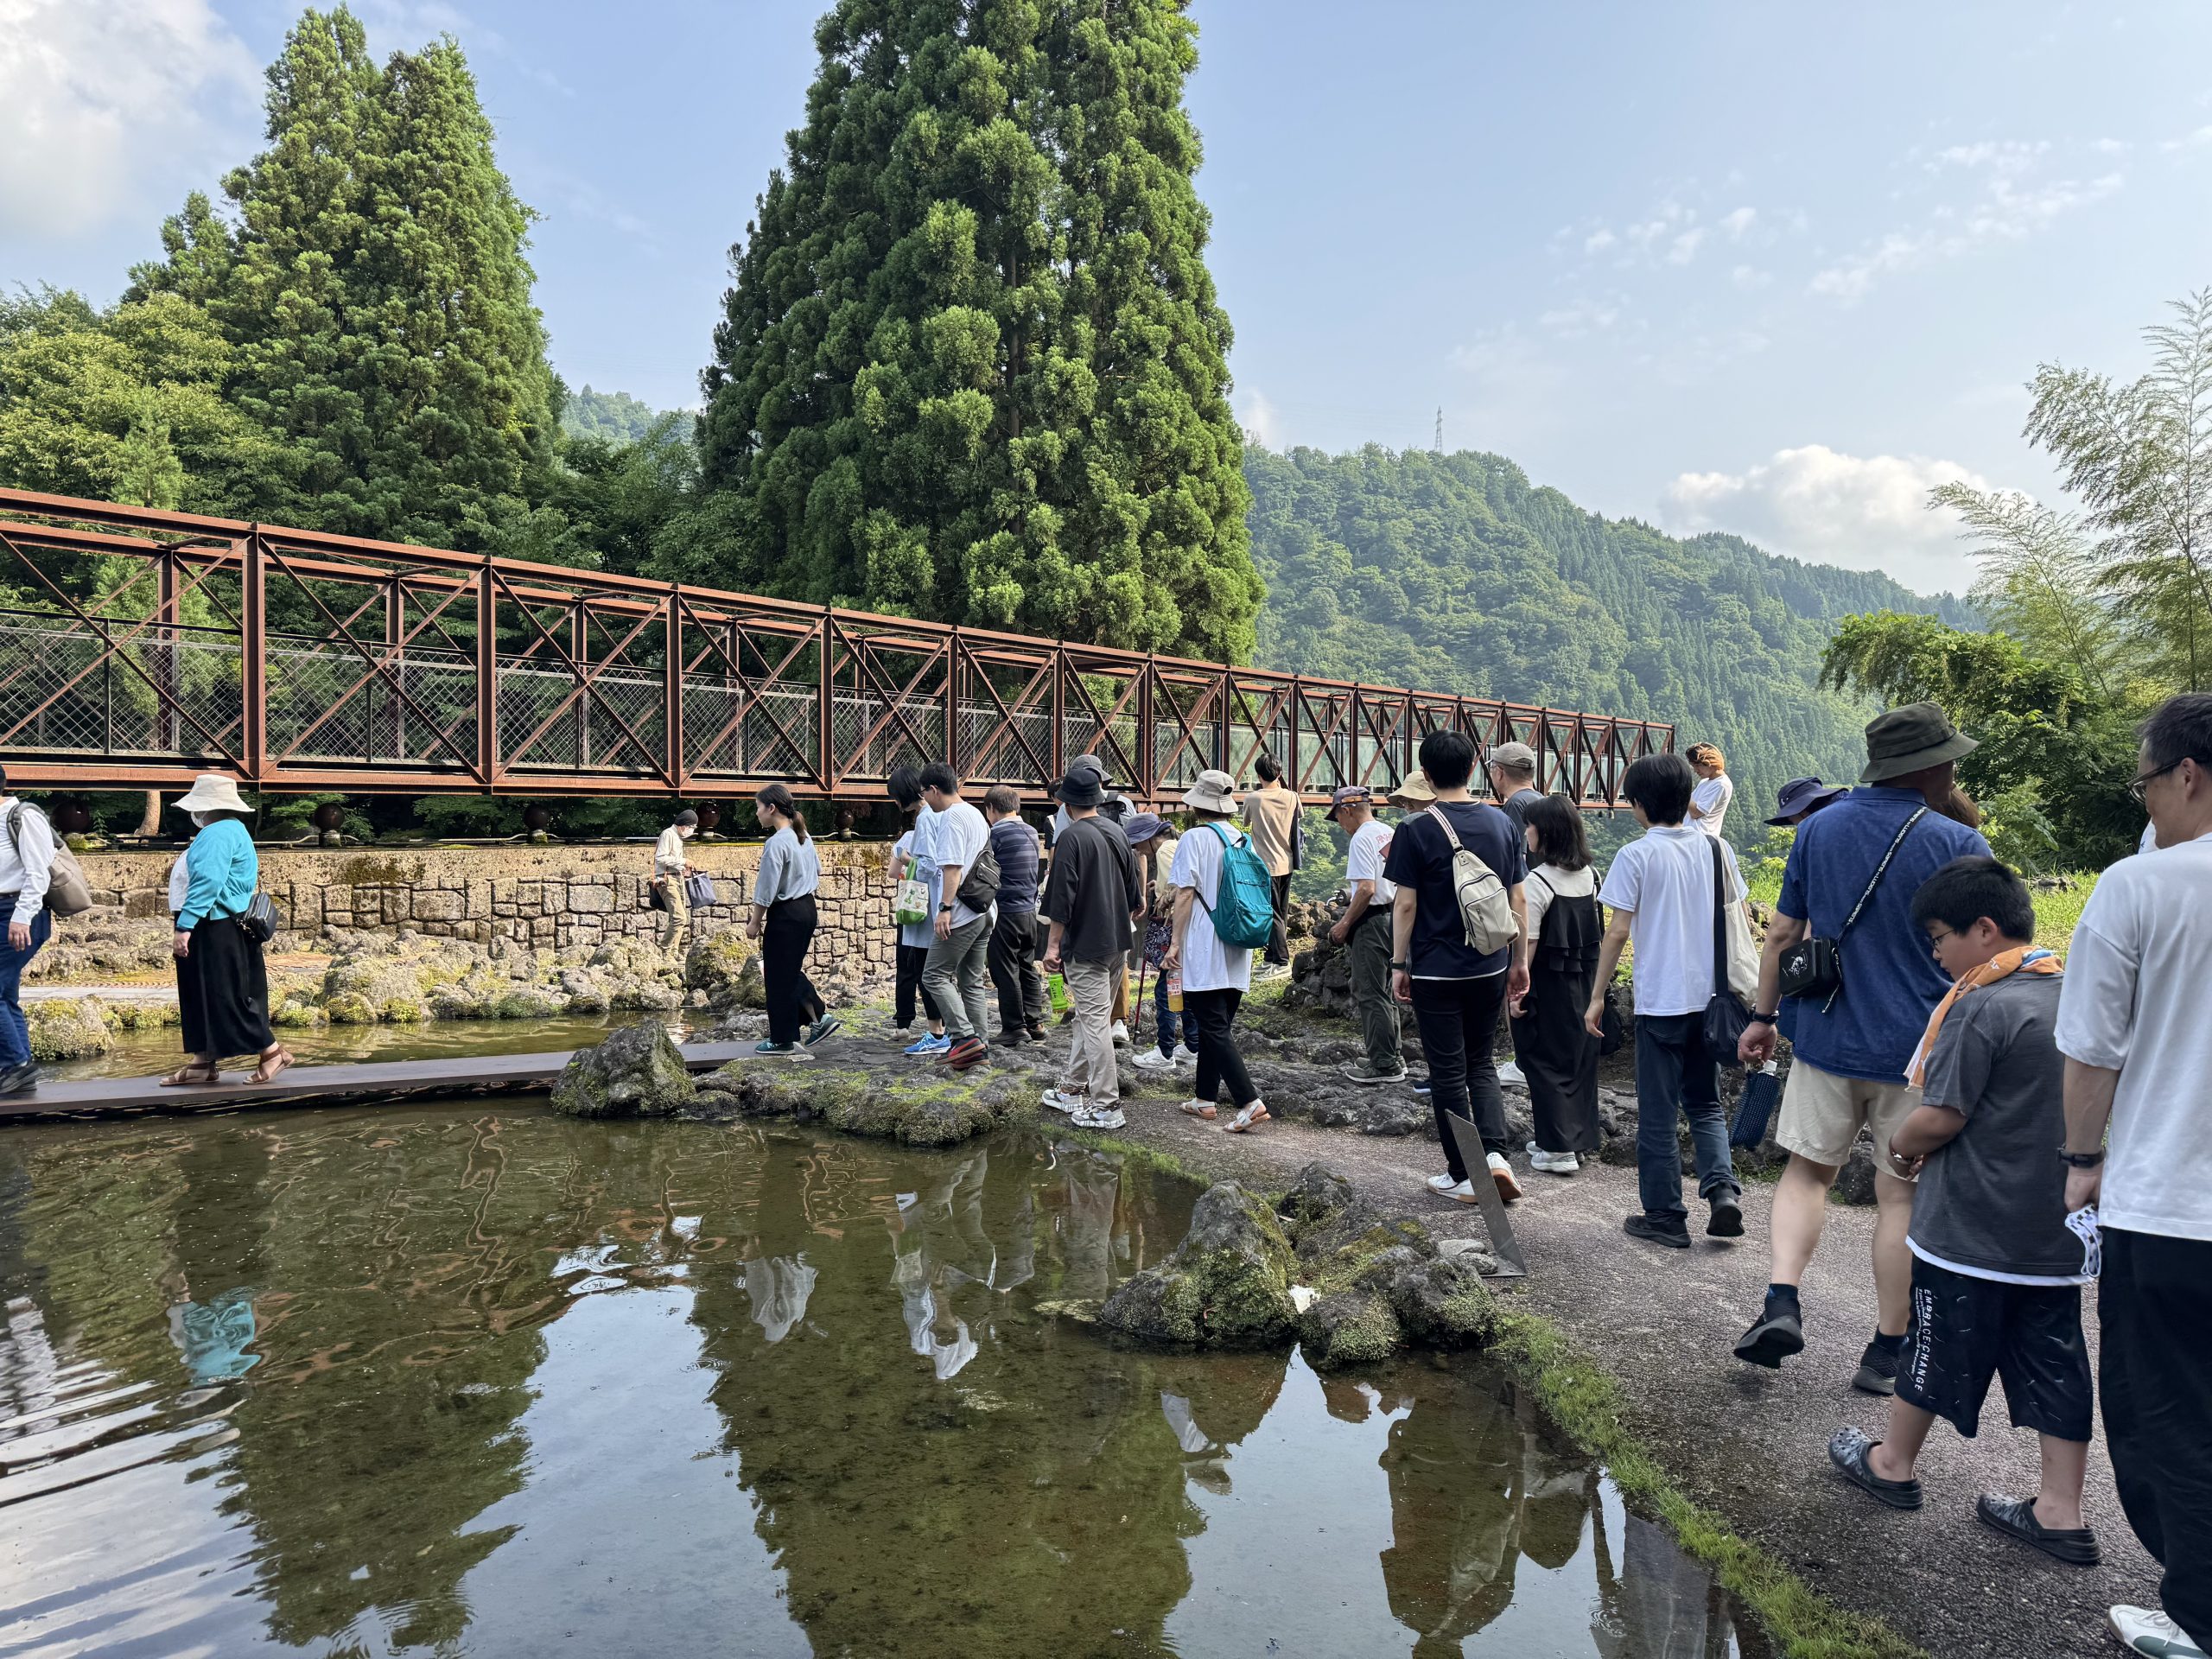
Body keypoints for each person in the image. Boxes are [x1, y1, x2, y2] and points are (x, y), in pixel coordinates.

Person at [1827, 856, 2099, 1568]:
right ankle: (2061, 1512)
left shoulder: (1982, 1007)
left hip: (1969, 1228)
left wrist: (1898, 1145)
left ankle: (1892, 1465)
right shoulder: (2077, 997)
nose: (1937, 954)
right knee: (2057, 1361)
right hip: (2054, 1234)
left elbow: (1942, 1116)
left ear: (1984, 930)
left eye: (1940, 938)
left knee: (1935, 1342)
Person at [1737, 704, 1993, 1391]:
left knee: (1805, 1173)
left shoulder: (1818, 829)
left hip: (1826, 1038)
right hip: (1919, 1052)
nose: (1954, 766)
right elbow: (1988, 957)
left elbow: (1782, 934)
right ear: (1929, 766)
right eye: (1949, 756)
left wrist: (1763, 1016)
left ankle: (1782, 1300)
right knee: (1899, 1197)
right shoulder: (1960, 842)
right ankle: (1885, 1352)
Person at [2056, 692, 2212, 1656]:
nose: (2145, 800)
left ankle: (2199, 1617)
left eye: (2145, 781)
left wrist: (2082, 1161)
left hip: (2171, 1206)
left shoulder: (2140, 886)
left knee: (2166, 1417)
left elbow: (2091, 1053)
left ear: (2187, 775)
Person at [1586, 752, 1744, 1246]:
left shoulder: (1636, 855)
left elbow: (1617, 933)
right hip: (1713, 1002)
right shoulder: (1717, 850)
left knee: (1658, 1114)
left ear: (1638, 804)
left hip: (1661, 1003)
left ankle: (1665, 1217)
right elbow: (1735, 919)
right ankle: (1722, 1192)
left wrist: (1597, 997)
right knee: (1706, 1104)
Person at [1385, 729, 1529, 1205]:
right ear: (1472, 769)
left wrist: (1399, 963)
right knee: (1481, 1063)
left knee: (1447, 1072)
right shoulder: (1502, 823)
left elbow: (1406, 905)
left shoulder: (1415, 829)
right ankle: (1496, 1157)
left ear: (1426, 775)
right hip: (1490, 964)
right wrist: (1519, 960)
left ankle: (1464, 1173)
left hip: (1436, 969)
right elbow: (1518, 899)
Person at [161, 774, 290, 1086]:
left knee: (224, 994)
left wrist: (185, 926)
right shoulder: (233, 830)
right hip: (219, 922)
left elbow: (208, 882)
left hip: (213, 923)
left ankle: (272, 1052)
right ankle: (202, 1061)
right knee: (202, 992)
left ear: (205, 807)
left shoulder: (217, 833)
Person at [1166, 769, 1271, 1132]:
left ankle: (1249, 1101)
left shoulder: (1194, 838)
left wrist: (1175, 944)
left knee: (1213, 1026)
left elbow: (1184, 893)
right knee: (1218, 1026)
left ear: (1198, 805)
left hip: (1204, 943)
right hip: (1239, 942)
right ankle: (1204, 1099)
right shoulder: (1243, 840)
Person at [1039, 766, 1143, 1129]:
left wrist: (1052, 946)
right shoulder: (1117, 831)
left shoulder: (1071, 837)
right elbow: (1135, 895)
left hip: (1086, 944)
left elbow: (1061, 898)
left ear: (1066, 804)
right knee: (1089, 1017)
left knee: (1095, 1022)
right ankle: (1070, 1089)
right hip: (1119, 941)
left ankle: (1106, 1106)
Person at [1513, 795, 1601, 1174]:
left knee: (1542, 1059)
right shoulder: (1590, 875)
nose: (1526, 832)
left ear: (1545, 832)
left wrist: (1516, 989)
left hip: (1547, 983)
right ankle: (1573, 1140)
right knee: (1577, 1058)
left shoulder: (1538, 881)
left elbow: (1528, 943)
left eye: (1530, 825)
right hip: (1585, 980)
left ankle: (1557, 1150)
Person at [747, 785, 836, 1058]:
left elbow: (766, 888)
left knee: (778, 975)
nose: (757, 813)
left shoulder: (776, 842)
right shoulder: (803, 836)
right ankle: (816, 1021)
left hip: (786, 912)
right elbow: (818, 869)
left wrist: (755, 921)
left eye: (758, 808)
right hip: (807, 907)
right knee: (787, 971)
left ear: (771, 808)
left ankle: (785, 1039)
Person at [1052, 754, 1135, 1040]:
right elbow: (1135, 853)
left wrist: (1053, 945)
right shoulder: (1123, 805)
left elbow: (1062, 858)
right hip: (1116, 903)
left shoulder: (1073, 819)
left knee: (1093, 1015)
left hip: (1088, 911)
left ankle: (1117, 1020)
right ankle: (1112, 1019)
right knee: (1115, 961)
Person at [918, 763, 995, 1071]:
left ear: (934, 790)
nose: (924, 800)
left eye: (924, 793)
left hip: (961, 912)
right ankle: (980, 1046)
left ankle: (964, 1039)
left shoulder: (951, 818)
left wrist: (944, 909)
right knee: (971, 980)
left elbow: (952, 868)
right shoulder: (975, 814)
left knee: (934, 975)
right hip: (985, 909)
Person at [1327, 785, 1403, 1085]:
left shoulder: (1361, 838)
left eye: (1337, 817)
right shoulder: (1388, 832)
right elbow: (1386, 883)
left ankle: (1383, 1064)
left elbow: (1367, 889)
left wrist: (1344, 924)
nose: (1339, 824)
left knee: (1370, 992)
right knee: (1385, 990)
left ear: (1346, 810)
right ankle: (1391, 1054)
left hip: (1371, 923)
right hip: (1393, 916)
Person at [0, 764, 56, 1097]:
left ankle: (15, 1065)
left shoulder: (23, 816)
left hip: (17, 912)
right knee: (6, 993)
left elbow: (39, 872)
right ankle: (19, 1066)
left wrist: (21, 917)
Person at [1127, 815, 1198, 1074]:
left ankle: (1165, 1052)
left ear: (1148, 837)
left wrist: (1164, 897)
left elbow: (1182, 890)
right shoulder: (1176, 846)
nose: (1137, 850)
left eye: (1137, 843)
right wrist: (1160, 887)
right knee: (1182, 989)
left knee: (1166, 990)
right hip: (1189, 931)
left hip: (1174, 930)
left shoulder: (1165, 850)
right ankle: (1193, 1046)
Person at [887, 767, 946, 1052]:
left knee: (925, 970)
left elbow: (927, 865)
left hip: (925, 903)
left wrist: (905, 858)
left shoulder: (924, 818)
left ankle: (936, 1033)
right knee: (939, 971)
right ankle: (945, 1030)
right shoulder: (942, 814)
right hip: (942, 900)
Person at [982, 786, 1047, 1047]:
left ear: (991, 808)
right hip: (1028, 912)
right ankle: (1035, 1023)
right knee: (1026, 967)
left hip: (1005, 912)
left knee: (1005, 970)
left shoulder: (996, 834)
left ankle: (1014, 1027)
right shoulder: (1031, 831)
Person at [1239, 753, 1299, 971]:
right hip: (1287, 862)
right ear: (1280, 773)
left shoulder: (1253, 798)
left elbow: (1245, 822)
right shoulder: (1292, 796)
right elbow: (1298, 816)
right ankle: (1271, 958)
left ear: (1258, 775)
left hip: (1265, 866)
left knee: (1271, 914)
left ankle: (1282, 961)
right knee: (1280, 913)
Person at [652, 808, 697, 949]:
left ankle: (674, 952)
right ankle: (665, 950)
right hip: (667, 880)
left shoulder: (678, 837)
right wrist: (683, 861)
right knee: (679, 918)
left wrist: (683, 867)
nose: (691, 830)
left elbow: (672, 860)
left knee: (679, 918)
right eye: (691, 827)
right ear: (683, 825)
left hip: (678, 878)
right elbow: (660, 858)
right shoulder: (668, 834)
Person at [1486, 741, 1544, 836]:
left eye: (1492, 768)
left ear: (1499, 773)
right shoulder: (1541, 799)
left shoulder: (1515, 804)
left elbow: (1515, 845)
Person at [1685, 743, 1734, 838]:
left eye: (1698, 765)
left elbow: (1696, 813)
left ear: (1711, 761)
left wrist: (1681, 791)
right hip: (1690, 837)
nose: (1695, 770)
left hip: (1701, 838)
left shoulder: (1722, 784)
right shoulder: (1704, 782)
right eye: (1693, 766)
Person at [1764, 776, 1847, 829]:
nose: (1789, 819)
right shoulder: (1847, 808)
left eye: (1791, 815)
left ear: (1804, 812)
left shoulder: (1820, 837)